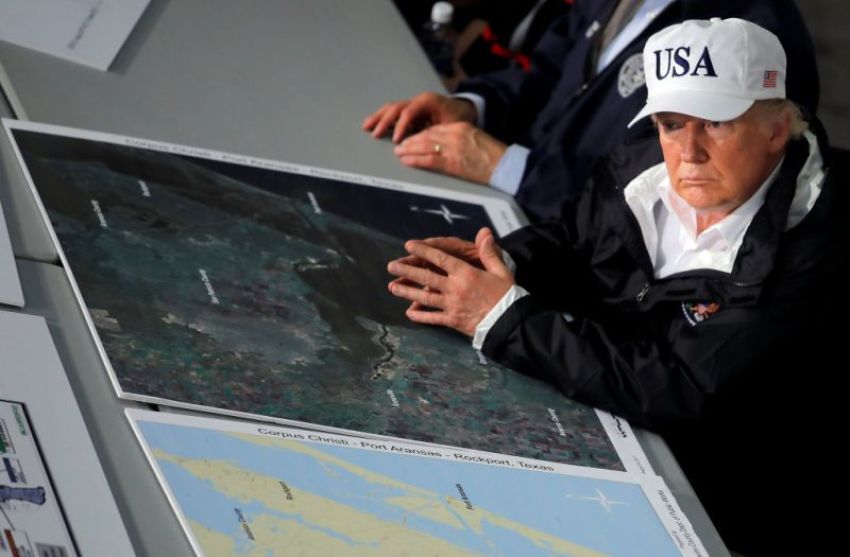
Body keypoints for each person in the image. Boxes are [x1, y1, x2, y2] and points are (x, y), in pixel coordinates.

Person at [386, 18, 847, 554]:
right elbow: (575, 236)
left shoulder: (817, 247)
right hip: (608, 418)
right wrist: (504, 262)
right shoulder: (643, 158)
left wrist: (505, 318)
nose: (688, 151)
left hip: (724, 497)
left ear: (776, 128)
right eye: (671, 123)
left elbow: (682, 388)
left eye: (716, 124)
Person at [364, 0, 819, 220]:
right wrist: (473, 105)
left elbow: (674, 204)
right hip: (514, 211)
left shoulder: (752, 42)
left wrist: (508, 168)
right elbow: (548, 72)